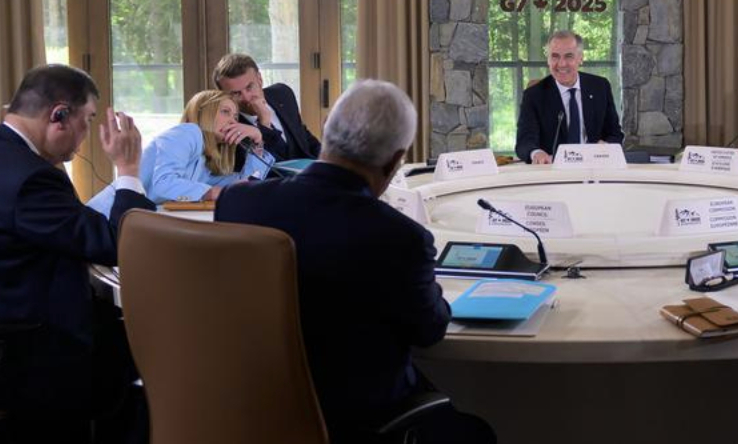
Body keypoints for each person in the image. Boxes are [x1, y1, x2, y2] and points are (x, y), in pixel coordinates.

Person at [216, 81, 494, 443]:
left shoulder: (237, 203)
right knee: (477, 431)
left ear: (327, 129)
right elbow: (429, 331)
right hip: (358, 423)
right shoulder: (400, 238)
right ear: (395, 161)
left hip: (252, 413)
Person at [0, 64, 155, 441]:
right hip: (33, 354)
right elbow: (118, 244)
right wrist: (128, 168)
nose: (86, 136)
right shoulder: (31, 178)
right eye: (88, 120)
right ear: (59, 115)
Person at [139, 89, 274, 204]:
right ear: (204, 112)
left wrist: (257, 141)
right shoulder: (188, 132)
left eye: (235, 117)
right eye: (225, 111)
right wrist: (212, 192)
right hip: (130, 214)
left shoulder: (203, 164)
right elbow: (163, 182)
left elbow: (245, 183)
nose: (233, 122)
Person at [516, 30, 623, 164]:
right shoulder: (534, 95)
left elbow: (615, 134)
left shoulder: (600, 87)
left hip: (594, 167)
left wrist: (605, 147)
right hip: (553, 170)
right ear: (548, 60)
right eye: (555, 56)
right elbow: (524, 142)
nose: (562, 64)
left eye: (569, 56)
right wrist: (536, 153)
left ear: (580, 58)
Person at [214, 53, 321, 162]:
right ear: (223, 95)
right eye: (236, 93)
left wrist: (327, 162)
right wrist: (264, 124)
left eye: (249, 87)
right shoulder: (227, 126)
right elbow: (266, 167)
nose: (246, 98)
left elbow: (304, 137)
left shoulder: (282, 93)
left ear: (260, 79)